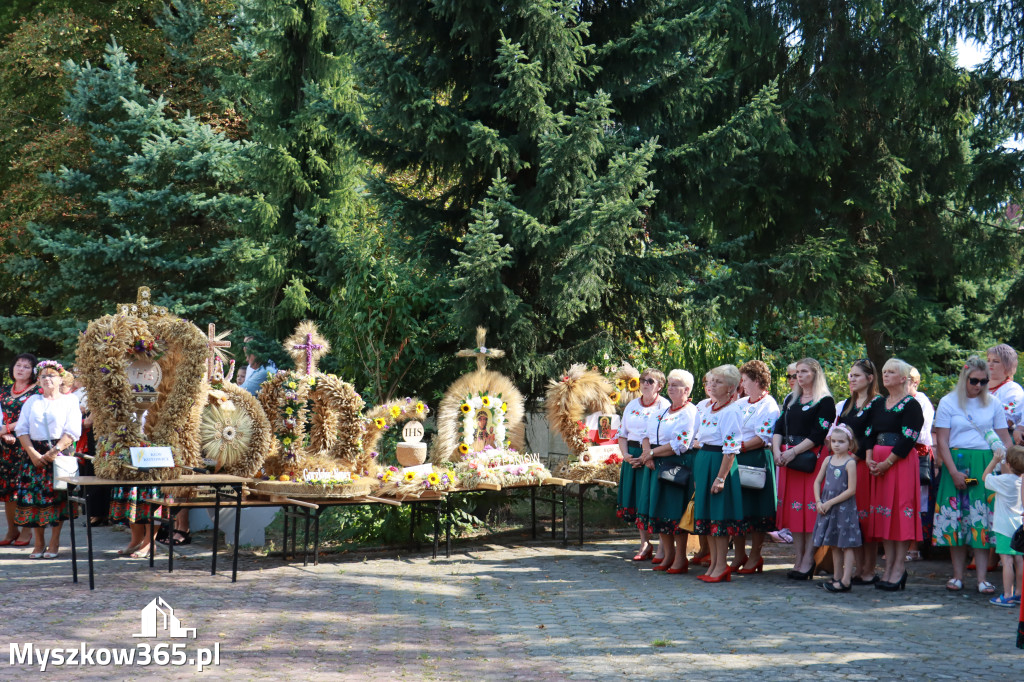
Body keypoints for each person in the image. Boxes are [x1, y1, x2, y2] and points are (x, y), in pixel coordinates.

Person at [932, 356, 1013, 594]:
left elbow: (1004, 439)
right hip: (956, 464)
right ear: (964, 378)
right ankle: (957, 576)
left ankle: (981, 578)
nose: (978, 386)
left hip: (983, 467)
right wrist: (953, 471)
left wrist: (1014, 469)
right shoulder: (949, 402)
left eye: (983, 381)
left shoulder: (993, 403)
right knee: (956, 516)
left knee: (980, 518)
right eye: (974, 381)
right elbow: (943, 441)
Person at [864, 358, 925, 591]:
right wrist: (870, 457)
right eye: (884, 371)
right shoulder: (879, 403)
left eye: (891, 372)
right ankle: (888, 567)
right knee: (884, 516)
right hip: (877, 464)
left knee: (899, 515)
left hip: (898, 464)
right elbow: (869, 431)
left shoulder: (911, 404)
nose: (886, 375)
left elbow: (909, 437)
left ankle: (899, 568)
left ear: (903, 378)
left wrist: (887, 462)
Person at [773, 357, 835, 580]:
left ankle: (809, 560)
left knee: (809, 511)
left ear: (816, 374)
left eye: (805, 372)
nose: (799, 376)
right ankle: (798, 558)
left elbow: (818, 434)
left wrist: (793, 452)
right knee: (795, 512)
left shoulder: (825, 401)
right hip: (788, 458)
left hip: (810, 459)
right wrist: (777, 451)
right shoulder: (792, 398)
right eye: (797, 372)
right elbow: (778, 427)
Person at [13, 360, 81, 558]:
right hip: (34, 452)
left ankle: (54, 541)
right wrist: (33, 454)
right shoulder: (32, 401)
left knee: (57, 498)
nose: (47, 379)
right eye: (43, 376)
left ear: (61, 379)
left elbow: (73, 430)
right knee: (35, 499)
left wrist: (54, 452)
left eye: (51, 375)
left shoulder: (70, 401)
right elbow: (21, 429)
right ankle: (39, 542)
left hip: (59, 452)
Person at [641, 369, 698, 574]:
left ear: (687, 389)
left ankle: (681, 558)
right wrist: (648, 453)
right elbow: (646, 434)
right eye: (670, 384)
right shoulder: (662, 410)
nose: (671, 388)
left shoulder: (689, 411)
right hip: (658, 463)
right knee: (661, 512)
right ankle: (668, 555)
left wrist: (652, 453)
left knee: (676, 512)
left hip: (678, 465)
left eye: (677, 385)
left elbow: (681, 444)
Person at [692, 364, 744, 582]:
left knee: (719, 516)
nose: (712, 385)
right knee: (707, 516)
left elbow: (731, 448)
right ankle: (714, 563)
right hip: (705, 460)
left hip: (719, 463)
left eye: (718, 382)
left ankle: (721, 565)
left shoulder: (731, 411)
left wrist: (721, 477)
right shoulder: (708, 407)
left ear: (731, 388)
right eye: (711, 381)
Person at [833, 359, 881, 583]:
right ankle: (857, 568)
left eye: (857, 376)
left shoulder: (877, 403)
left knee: (865, 518)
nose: (851, 379)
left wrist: (852, 458)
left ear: (870, 379)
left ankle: (868, 569)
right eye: (850, 375)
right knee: (852, 518)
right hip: (845, 465)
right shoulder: (847, 404)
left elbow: (870, 437)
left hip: (861, 465)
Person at [730, 360, 780, 574]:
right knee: (739, 510)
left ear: (757, 381)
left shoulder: (769, 405)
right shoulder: (740, 404)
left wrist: (737, 447)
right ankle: (739, 553)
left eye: (744, 380)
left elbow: (762, 437)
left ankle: (755, 555)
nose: (741, 384)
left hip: (756, 459)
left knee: (757, 510)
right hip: (737, 459)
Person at [616, 368, 669, 560]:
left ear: (660, 386)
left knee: (654, 499)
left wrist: (648, 456)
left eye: (650, 381)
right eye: (642, 380)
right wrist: (626, 455)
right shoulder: (631, 405)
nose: (645, 384)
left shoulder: (664, 405)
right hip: (633, 456)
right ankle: (645, 544)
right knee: (638, 501)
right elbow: (622, 434)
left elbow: (665, 435)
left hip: (654, 456)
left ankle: (664, 547)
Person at [812, 424, 862, 592]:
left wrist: (830, 502)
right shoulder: (828, 460)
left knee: (846, 544)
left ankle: (846, 580)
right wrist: (819, 501)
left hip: (844, 510)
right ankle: (836, 577)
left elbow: (851, 490)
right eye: (834, 441)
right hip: (827, 508)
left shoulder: (850, 463)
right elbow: (817, 481)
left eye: (841, 441)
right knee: (833, 543)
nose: (837, 445)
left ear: (850, 443)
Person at [1, 353, 39, 546]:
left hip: (28, 445)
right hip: (6, 447)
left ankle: (27, 530)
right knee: (8, 491)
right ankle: (11, 529)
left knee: (26, 488)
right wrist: (3, 433)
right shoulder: (4, 390)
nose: (21, 369)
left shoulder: (37, 392)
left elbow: (31, 417)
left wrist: (7, 428)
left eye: (26, 366)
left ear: (33, 371)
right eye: (18, 365)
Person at [982, 445, 1023, 606]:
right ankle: (1019, 593)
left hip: (1004, 527)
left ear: (1010, 464)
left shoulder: (1004, 481)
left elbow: (985, 477)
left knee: (1006, 560)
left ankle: (1007, 594)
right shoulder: (1021, 481)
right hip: (1019, 526)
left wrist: (994, 460)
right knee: (1019, 560)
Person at [907, 366, 935, 562]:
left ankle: (915, 545)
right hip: (900, 454)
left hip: (917, 454)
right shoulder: (895, 401)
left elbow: (923, 432)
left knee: (917, 499)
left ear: (914, 382)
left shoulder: (921, 401)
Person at [987, 344, 1023, 430]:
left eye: (996, 361)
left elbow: (1005, 422)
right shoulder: (977, 386)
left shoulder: (1013, 390)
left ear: (1008, 366)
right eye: (988, 360)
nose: (990, 364)